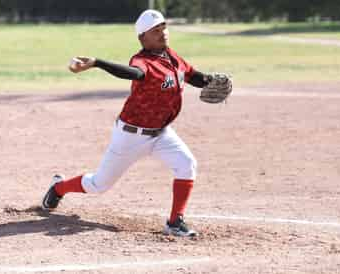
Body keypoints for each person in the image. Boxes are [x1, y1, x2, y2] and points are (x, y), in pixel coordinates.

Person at [42, 9, 214, 237]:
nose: (163, 34)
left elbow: (193, 76)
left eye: (164, 28)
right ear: (143, 37)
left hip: (161, 133)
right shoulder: (142, 61)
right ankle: (59, 187)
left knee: (186, 164)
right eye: (156, 31)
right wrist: (97, 62)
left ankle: (174, 222)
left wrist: (211, 81)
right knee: (99, 185)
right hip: (131, 135)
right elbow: (131, 73)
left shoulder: (173, 58)